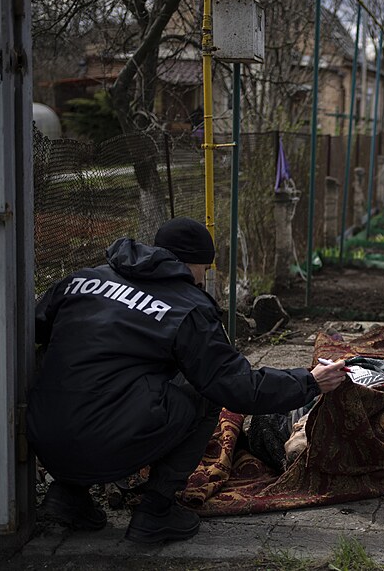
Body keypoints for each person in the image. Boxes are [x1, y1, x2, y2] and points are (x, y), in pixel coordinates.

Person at [28, 217, 347, 543]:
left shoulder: (83, 280)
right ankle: (156, 510)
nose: (202, 279)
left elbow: (35, 330)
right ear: (193, 264)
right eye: (205, 270)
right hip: (105, 443)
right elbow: (234, 385)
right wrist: (309, 381)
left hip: (42, 436)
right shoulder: (187, 306)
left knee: (84, 370)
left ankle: (68, 494)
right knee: (204, 391)